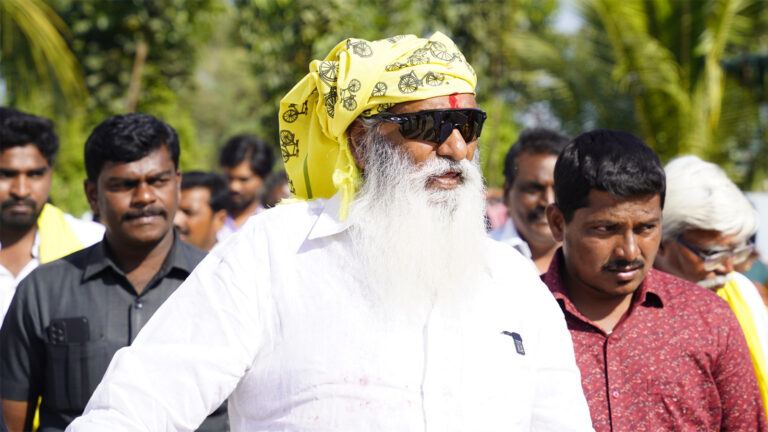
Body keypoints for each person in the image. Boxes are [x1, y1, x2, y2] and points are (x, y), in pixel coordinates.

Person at [67, 33, 593, 431]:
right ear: (362, 142)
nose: (455, 148)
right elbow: (140, 405)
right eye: (427, 127)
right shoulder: (275, 253)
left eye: (468, 126)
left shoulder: (513, 282)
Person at [0, 113, 227, 432]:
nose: (144, 197)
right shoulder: (42, 291)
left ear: (177, 182)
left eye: (158, 181)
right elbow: (12, 420)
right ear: (93, 194)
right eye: (124, 185)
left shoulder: (225, 283)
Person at [543, 130, 766, 431]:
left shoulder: (709, 319)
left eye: (646, 228)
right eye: (606, 229)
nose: (629, 251)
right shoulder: (517, 320)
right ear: (558, 223)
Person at [654, 155, 768, 417]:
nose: (727, 267)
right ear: (660, 242)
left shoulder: (738, 293)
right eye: (712, 253)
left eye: (735, 252)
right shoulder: (619, 305)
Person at [0, 108, 103, 324]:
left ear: (50, 174)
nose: (21, 190)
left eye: (35, 174)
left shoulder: (93, 244)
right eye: (6, 174)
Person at [491, 128, 569, 273]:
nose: (548, 201)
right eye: (534, 190)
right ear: (507, 194)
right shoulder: (480, 257)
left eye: (559, 189)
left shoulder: (592, 260)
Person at [217, 134, 274, 241]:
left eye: (243, 179)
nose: (234, 187)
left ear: (263, 178)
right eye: (229, 178)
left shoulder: (270, 227)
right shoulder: (208, 219)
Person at [174, 171, 228, 251]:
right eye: (173, 211)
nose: (176, 221)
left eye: (188, 213)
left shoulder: (237, 257)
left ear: (219, 220)